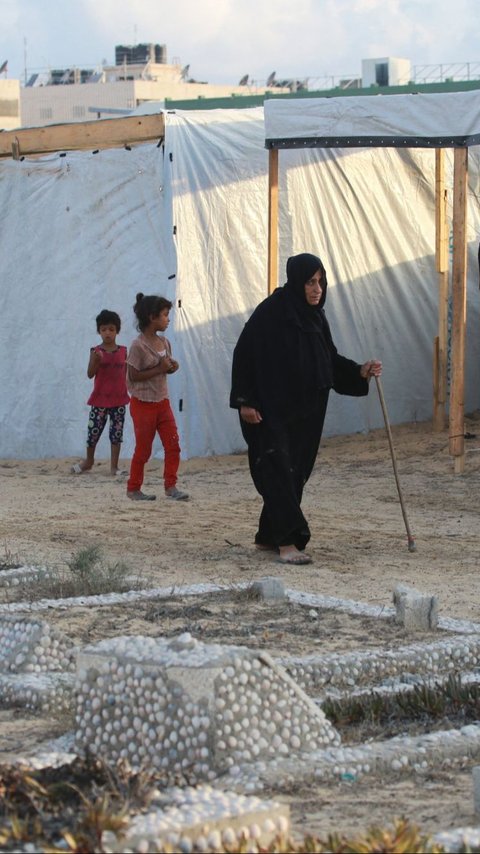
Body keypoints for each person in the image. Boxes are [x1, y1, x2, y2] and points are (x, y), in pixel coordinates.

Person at [230, 252, 382, 565]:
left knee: (294, 472)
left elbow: (329, 359)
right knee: (276, 468)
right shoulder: (271, 313)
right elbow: (244, 354)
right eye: (310, 282)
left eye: (321, 282)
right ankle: (288, 542)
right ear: (296, 281)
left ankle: (267, 536)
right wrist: (246, 401)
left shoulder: (315, 318)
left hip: (306, 412)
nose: (317, 289)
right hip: (270, 410)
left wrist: (359, 371)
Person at [126, 293, 188, 502]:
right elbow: (133, 375)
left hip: (162, 402)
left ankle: (171, 486)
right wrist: (159, 368)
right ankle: (133, 488)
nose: (167, 319)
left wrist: (171, 367)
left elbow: (165, 366)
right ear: (152, 318)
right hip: (143, 404)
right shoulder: (138, 346)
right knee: (143, 450)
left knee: (173, 445)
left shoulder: (164, 342)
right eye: (164, 315)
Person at [71, 309, 129, 476]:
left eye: (111, 329)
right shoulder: (96, 351)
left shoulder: (124, 351)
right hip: (99, 400)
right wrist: (95, 361)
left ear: (117, 330)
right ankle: (88, 461)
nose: (108, 333)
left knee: (116, 434)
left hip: (119, 400)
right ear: (99, 331)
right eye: (104, 329)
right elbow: (89, 374)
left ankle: (114, 467)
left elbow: (127, 375)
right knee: (93, 433)